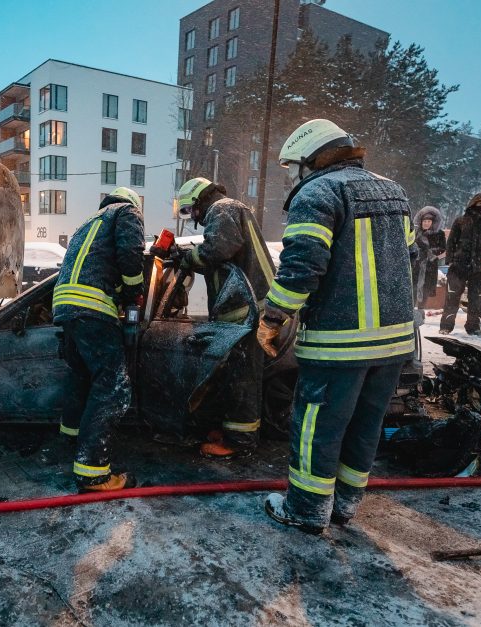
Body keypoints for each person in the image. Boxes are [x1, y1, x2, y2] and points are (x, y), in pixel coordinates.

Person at [257, 119, 416, 534]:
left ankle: (307, 509)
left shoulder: (319, 192)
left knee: (317, 427)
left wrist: (274, 315)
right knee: (365, 425)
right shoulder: (394, 190)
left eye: (294, 166)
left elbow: (302, 264)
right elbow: (409, 257)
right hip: (394, 342)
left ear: (312, 158)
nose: (293, 175)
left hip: (339, 342)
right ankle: (345, 504)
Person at [175, 177, 276, 459]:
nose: (193, 218)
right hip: (246, 310)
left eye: (190, 210)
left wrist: (187, 259)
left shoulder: (223, 208)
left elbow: (217, 250)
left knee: (244, 379)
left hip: (249, 311)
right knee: (236, 376)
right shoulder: (229, 210)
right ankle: (233, 432)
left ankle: (240, 443)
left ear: (198, 200)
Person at [52, 187, 145, 492]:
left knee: (81, 377)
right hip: (92, 307)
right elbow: (130, 255)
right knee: (113, 388)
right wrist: (134, 293)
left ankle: (71, 442)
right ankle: (93, 472)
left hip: (65, 307)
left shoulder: (88, 223)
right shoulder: (126, 213)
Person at [439, 193, 481, 337]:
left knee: (477, 298)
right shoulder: (461, 220)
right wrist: (451, 260)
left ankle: (474, 328)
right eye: (480, 202)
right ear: (473, 203)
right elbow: (451, 242)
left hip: (480, 267)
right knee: (452, 296)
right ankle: (446, 326)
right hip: (458, 266)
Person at [412, 205, 447, 308]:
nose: (426, 223)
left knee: (425, 289)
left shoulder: (439, 233)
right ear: (421, 221)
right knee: (413, 289)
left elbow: (442, 248)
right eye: (425, 221)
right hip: (416, 266)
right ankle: (412, 312)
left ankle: (421, 311)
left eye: (429, 221)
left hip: (430, 267)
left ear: (433, 222)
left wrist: (429, 252)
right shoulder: (415, 233)